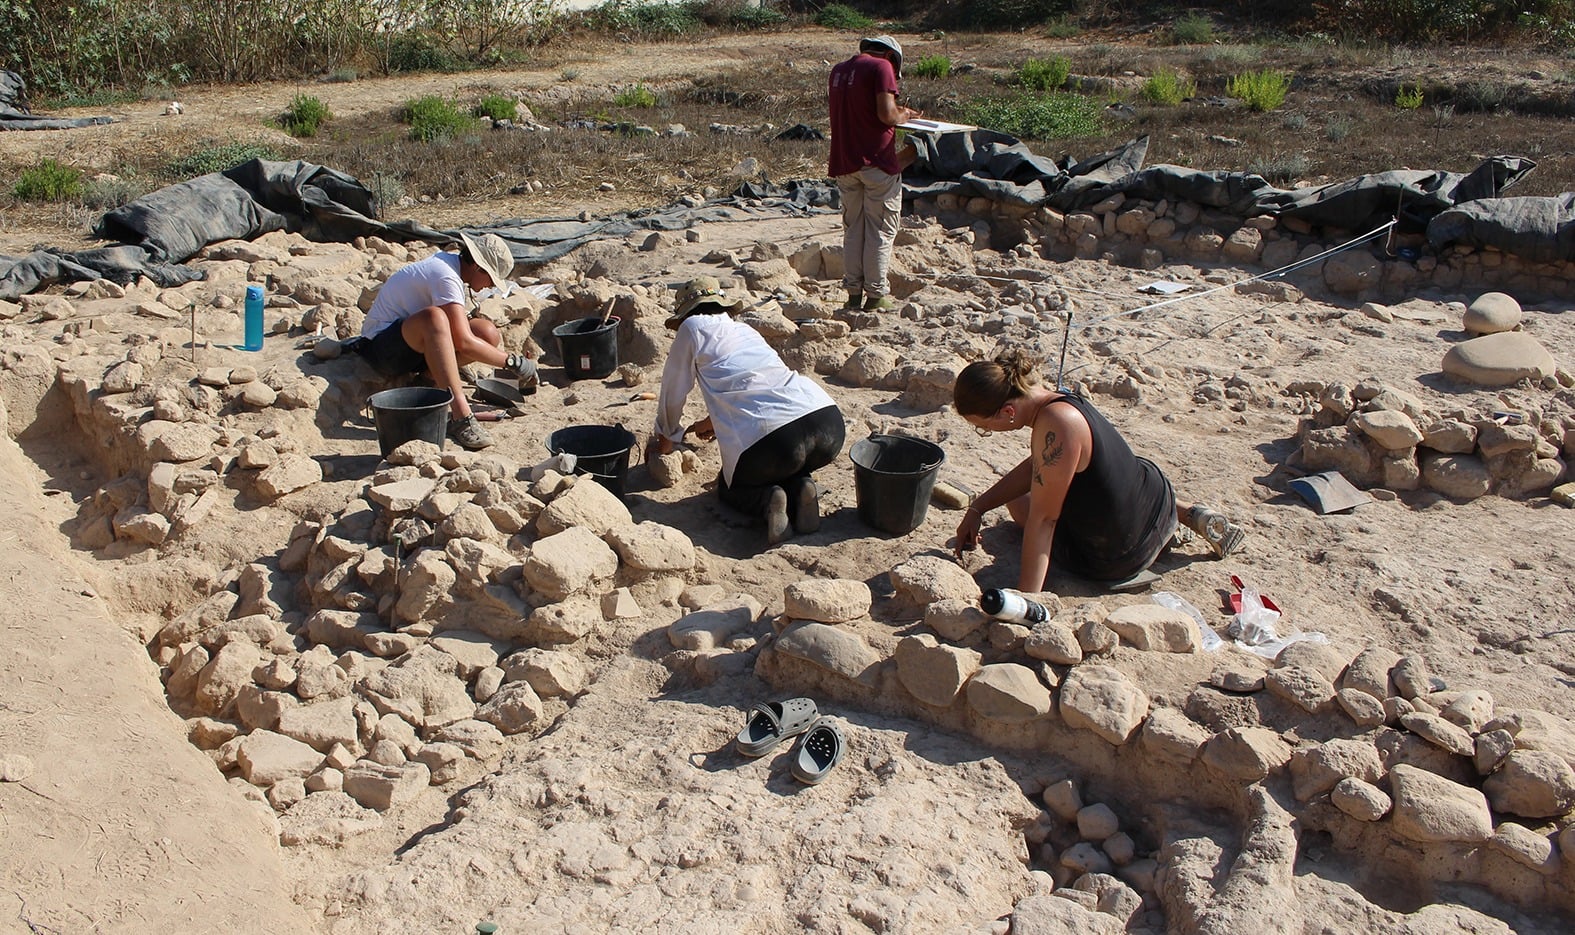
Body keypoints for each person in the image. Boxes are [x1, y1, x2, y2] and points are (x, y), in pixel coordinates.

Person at [951, 350, 1246, 591]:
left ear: (1008, 412)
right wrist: (979, 507)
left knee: (1022, 504)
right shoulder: (1061, 402)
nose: (987, 432)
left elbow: (1044, 520)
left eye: (984, 427)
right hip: (1152, 503)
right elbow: (1040, 465)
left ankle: (1157, 539)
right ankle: (1185, 513)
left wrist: (1026, 599)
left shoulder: (1056, 426)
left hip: (1115, 557)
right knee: (1131, 464)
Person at [648, 276, 846, 546]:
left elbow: (673, 391)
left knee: (732, 487)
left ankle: (769, 501)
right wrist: (711, 422)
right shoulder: (745, 331)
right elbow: (756, 385)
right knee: (787, 463)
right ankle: (802, 487)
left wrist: (665, 441)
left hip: (774, 439)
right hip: (825, 421)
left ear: (685, 314)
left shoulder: (691, 327)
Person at [359, 232, 535, 450]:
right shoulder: (445, 275)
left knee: (486, 333)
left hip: (412, 347)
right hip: (381, 349)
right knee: (434, 319)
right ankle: (461, 418)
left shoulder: (451, 267)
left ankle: (427, 379)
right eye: (490, 278)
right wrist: (514, 363)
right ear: (479, 267)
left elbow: (468, 336)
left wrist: (511, 361)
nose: (490, 286)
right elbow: (462, 341)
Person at [828, 34, 922, 313]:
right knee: (881, 230)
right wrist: (904, 114)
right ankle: (876, 295)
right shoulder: (881, 68)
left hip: (845, 163)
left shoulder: (839, 70)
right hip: (876, 163)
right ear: (892, 57)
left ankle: (853, 294)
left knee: (854, 229)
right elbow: (886, 115)